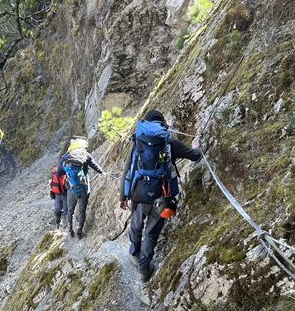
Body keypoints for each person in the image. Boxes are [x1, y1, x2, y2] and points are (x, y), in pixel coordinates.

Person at [119, 110, 202, 282]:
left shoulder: (137, 143)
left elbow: (127, 170)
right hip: (162, 195)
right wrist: (196, 146)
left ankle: (134, 253)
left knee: (136, 225)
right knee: (151, 233)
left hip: (138, 193)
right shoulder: (169, 142)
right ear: (162, 124)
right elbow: (196, 156)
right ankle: (143, 270)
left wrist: (123, 195)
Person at [59, 137, 106, 239]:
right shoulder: (86, 154)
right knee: (82, 210)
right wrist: (102, 173)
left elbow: (59, 172)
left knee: (70, 210)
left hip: (71, 188)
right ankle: (79, 231)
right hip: (84, 188)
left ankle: (70, 230)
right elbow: (95, 165)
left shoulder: (66, 156)